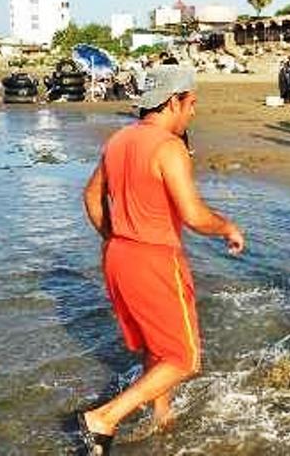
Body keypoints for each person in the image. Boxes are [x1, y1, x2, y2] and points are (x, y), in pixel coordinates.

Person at [79, 66, 245, 454]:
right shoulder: (169, 146)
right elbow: (193, 214)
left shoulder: (119, 139)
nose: (192, 113)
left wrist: (114, 238)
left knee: (156, 345)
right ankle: (105, 418)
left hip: (118, 256)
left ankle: (161, 411)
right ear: (174, 101)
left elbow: (90, 196)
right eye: (191, 105)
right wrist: (228, 227)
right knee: (185, 359)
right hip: (155, 260)